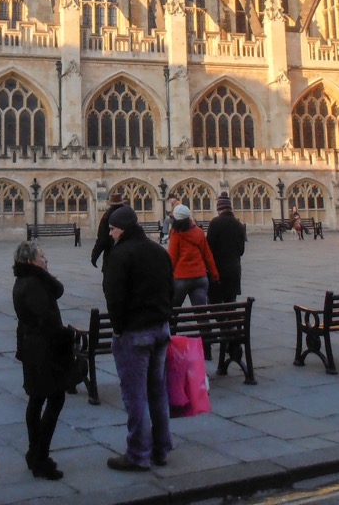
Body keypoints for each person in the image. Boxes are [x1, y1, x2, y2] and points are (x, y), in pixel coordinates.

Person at [102, 205, 174, 471]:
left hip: (134, 334)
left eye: (112, 229)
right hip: (160, 330)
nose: (110, 234)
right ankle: (162, 449)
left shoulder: (120, 255)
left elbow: (114, 298)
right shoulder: (158, 251)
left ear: (122, 228)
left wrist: (119, 328)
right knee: (158, 392)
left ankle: (138, 454)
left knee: (135, 396)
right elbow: (171, 288)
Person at [12, 241, 74, 481]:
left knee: (36, 399)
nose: (46, 260)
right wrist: (67, 336)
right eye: (42, 257)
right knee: (55, 399)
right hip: (44, 350)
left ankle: (34, 452)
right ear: (30, 261)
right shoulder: (33, 285)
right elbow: (46, 321)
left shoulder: (25, 281)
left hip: (32, 348)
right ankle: (41, 457)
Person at [206, 192, 247, 366]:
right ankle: (229, 333)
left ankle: (227, 333)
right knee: (230, 303)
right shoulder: (238, 225)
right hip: (234, 270)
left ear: (219, 208)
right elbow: (241, 250)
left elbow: (209, 248)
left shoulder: (215, 223)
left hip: (217, 271)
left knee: (214, 304)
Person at [167, 205, 218, 309]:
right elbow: (207, 256)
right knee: (201, 314)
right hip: (200, 277)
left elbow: (172, 258)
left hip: (181, 278)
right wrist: (215, 274)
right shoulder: (199, 232)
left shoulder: (176, 234)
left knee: (174, 311)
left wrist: (167, 276)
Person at [90, 189, 126, 270]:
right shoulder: (128, 214)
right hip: (127, 251)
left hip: (112, 251)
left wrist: (94, 256)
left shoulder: (107, 215)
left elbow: (102, 238)